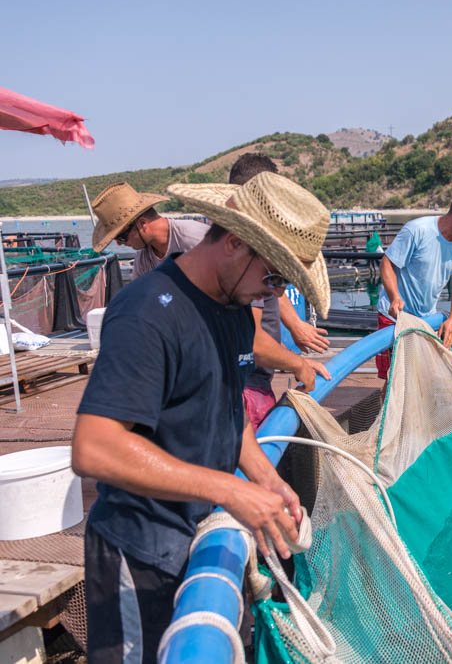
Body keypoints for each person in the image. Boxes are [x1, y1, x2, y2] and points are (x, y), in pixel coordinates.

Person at [72, 172, 332, 663]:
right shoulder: (148, 311)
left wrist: (264, 479)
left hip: (197, 529)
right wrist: (231, 491)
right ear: (234, 241)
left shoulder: (233, 307)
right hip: (141, 550)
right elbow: (94, 446)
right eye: (273, 278)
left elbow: (226, 408)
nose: (269, 294)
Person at [227, 154, 330, 428]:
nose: (278, 290)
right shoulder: (244, 259)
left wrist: (292, 334)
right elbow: (252, 341)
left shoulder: (232, 255)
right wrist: (298, 364)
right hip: (241, 389)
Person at [375, 191, 452, 383]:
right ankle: (389, 411)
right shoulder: (417, 230)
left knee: (425, 379)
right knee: (394, 380)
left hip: (427, 321)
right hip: (393, 318)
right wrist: (394, 297)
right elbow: (387, 264)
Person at [91, 182, 209, 278]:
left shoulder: (195, 240)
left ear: (143, 224)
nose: (119, 243)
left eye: (122, 237)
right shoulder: (143, 260)